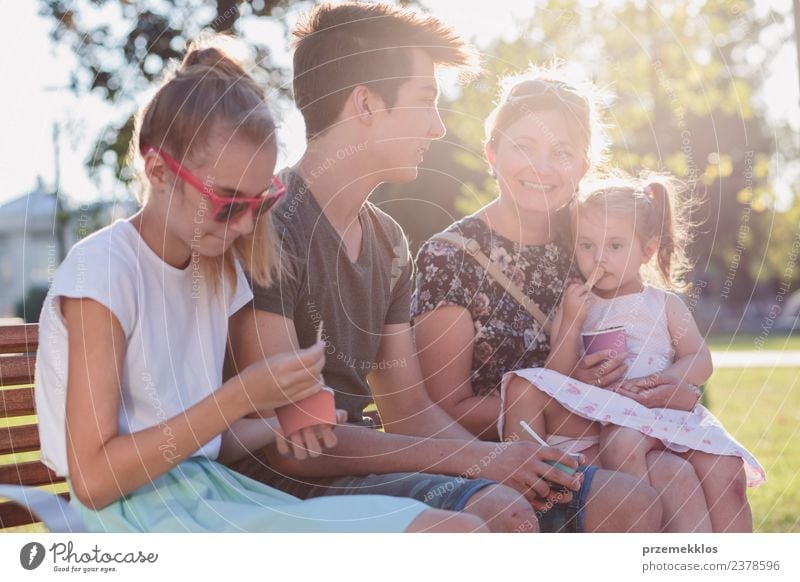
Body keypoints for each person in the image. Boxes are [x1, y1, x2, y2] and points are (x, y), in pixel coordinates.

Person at [229, 2, 662, 533]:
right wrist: (484, 465)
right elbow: (296, 443)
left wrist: (517, 461)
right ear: (365, 104)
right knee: (501, 511)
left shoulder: (387, 241)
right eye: (426, 101)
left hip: (364, 460)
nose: (437, 127)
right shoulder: (271, 227)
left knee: (628, 500)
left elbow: (409, 410)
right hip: (289, 480)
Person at [33, 37, 484, 533]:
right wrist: (242, 397)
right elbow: (94, 480)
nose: (247, 228)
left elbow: (205, 443)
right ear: (158, 170)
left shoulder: (214, 270)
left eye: (260, 202)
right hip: (136, 515)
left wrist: (285, 423)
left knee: (460, 531)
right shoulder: (102, 270)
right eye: (228, 203)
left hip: (215, 493)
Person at [412, 68, 713, 532]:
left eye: (561, 152)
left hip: (623, 437)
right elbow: (447, 408)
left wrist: (671, 390)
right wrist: (584, 404)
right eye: (523, 147)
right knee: (660, 486)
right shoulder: (450, 258)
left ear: (583, 167)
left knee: (698, 479)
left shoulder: (592, 241)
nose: (541, 167)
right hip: (518, 461)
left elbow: (659, 334)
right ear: (492, 152)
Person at [498, 175, 765, 532]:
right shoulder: (577, 304)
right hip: (613, 418)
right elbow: (554, 380)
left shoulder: (663, 304)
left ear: (647, 250)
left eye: (615, 246)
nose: (599, 259)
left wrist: (662, 383)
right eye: (587, 245)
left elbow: (700, 360)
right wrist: (573, 324)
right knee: (622, 445)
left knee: (725, 470)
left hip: (662, 409)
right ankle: (648, 535)